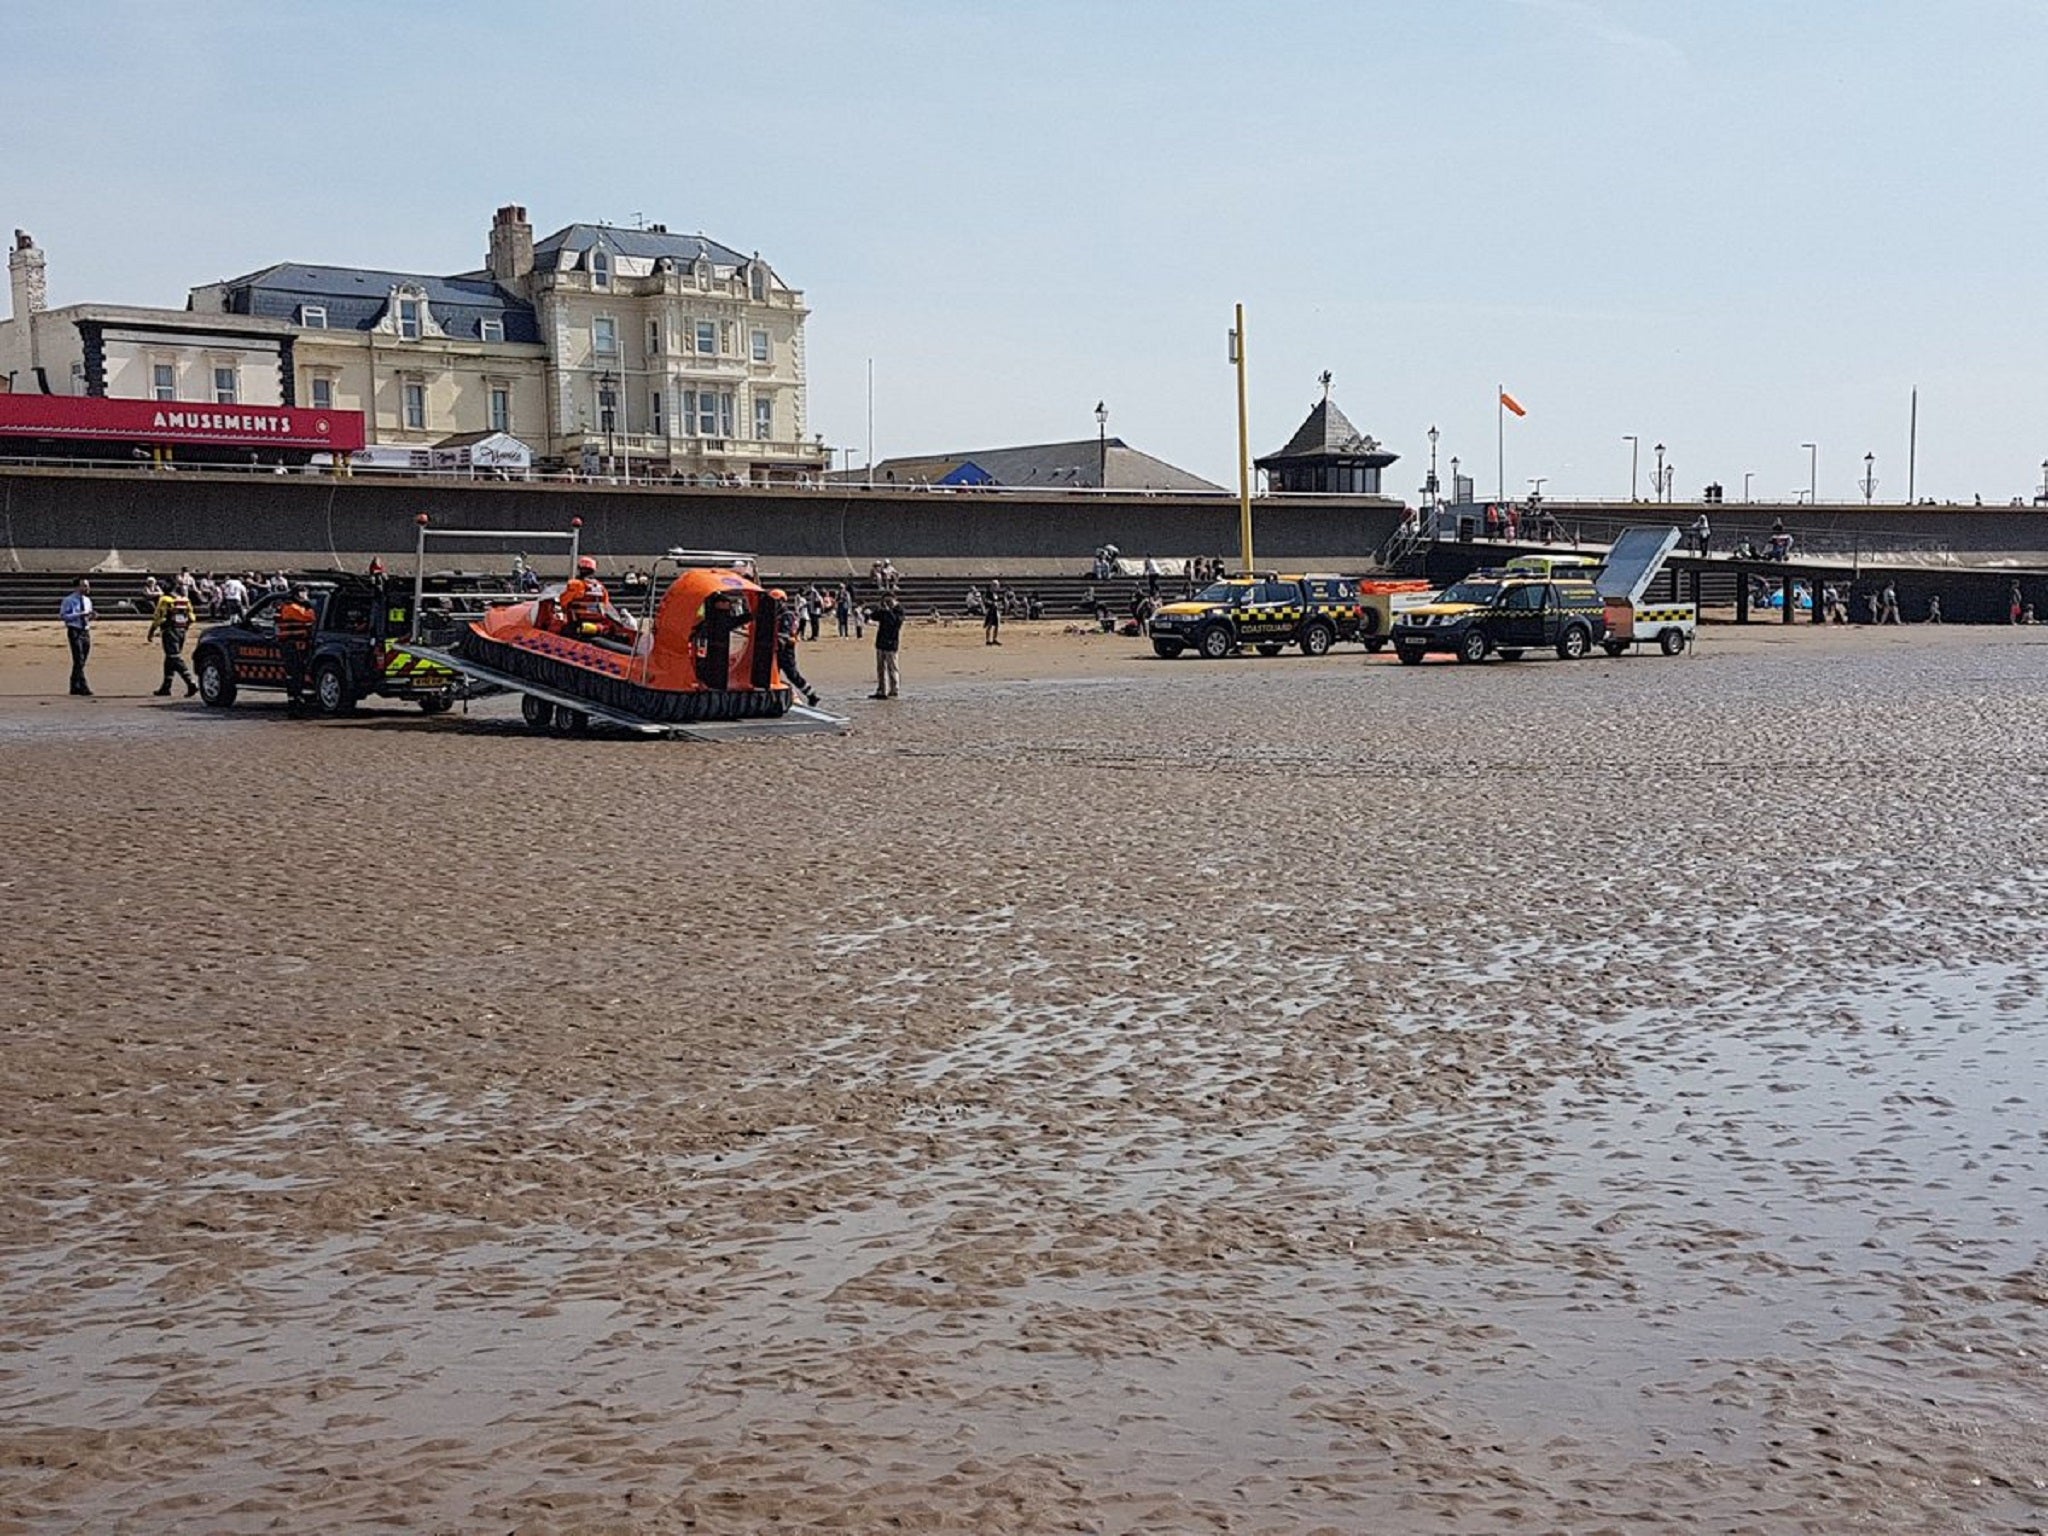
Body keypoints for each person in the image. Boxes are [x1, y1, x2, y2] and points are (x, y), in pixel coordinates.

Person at [146, 585, 200, 696]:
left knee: (174, 657)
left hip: (169, 631)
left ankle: (191, 682)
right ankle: (166, 687)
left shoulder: (165, 600)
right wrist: (185, 628)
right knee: (170, 658)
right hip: (182, 631)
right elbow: (192, 618)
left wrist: (151, 632)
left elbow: (158, 617)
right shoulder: (184, 600)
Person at [769, 590, 820, 707]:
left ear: (782, 601)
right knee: (772, 674)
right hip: (777, 649)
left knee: (792, 674)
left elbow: (785, 635)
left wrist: (775, 639)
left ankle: (812, 695)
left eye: (775, 602)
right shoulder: (778, 615)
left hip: (786, 650)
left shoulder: (786, 616)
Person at [277, 584, 318, 713]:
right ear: (297, 594)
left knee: (298, 674)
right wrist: (310, 606)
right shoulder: (291, 608)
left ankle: (299, 699)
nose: (306, 596)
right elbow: (310, 617)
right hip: (291, 645)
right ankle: (295, 702)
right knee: (294, 674)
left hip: (297, 644)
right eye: (304, 593)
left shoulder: (294, 606)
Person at [60, 578, 94, 696]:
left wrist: (91, 616)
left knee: (82, 659)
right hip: (74, 630)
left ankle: (74, 685)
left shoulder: (88, 600)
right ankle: (83, 686)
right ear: (77, 587)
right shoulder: (69, 600)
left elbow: (88, 615)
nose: (87, 588)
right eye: (84, 586)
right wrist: (80, 614)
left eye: (87, 586)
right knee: (78, 658)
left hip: (85, 630)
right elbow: (64, 616)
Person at [866, 593, 904, 698]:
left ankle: (894, 690)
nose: (888, 603)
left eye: (889, 601)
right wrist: (879, 608)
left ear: (895, 600)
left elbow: (896, 623)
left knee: (892, 668)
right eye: (885, 601)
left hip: (891, 643)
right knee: (880, 669)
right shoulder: (883, 610)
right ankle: (881, 690)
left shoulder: (899, 610)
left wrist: (888, 611)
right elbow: (874, 617)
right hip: (881, 643)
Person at [984, 578, 1003, 645]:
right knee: (989, 625)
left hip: (996, 610)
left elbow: (999, 601)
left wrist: (999, 605)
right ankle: (988, 640)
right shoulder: (988, 593)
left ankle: (995, 639)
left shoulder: (996, 594)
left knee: (997, 625)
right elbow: (985, 600)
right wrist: (992, 603)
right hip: (990, 611)